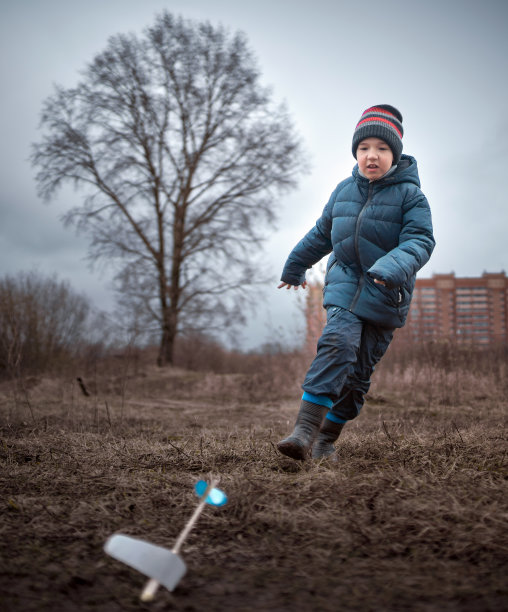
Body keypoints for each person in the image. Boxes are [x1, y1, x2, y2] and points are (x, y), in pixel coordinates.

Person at [277, 104, 435, 460]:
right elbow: (323, 233)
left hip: (385, 295)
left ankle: (326, 439)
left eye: (381, 148)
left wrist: (391, 266)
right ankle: (302, 433)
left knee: (357, 376)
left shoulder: (412, 197)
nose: (371, 155)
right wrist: (295, 267)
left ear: (395, 154)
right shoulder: (343, 190)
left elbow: (420, 241)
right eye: (364, 148)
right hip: (345, 285)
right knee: (338, 343)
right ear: (356, 153)